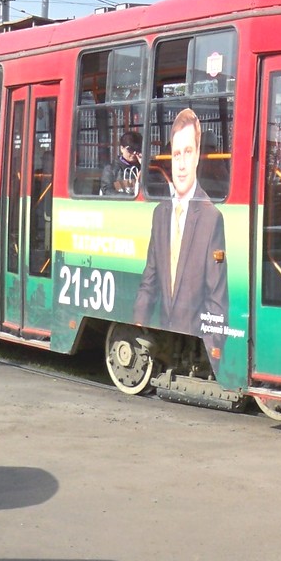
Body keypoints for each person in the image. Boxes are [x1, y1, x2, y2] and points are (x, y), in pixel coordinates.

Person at [132, 109, 229, 369]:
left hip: (196, 349)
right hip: (164, 340)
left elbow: (216, 302)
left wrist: (211, 353)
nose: (182, 164)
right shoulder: (159, 214)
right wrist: (137, 328)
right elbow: (149, 281)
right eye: (176, 154)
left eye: (188, 152)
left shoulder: (211, 217)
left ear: (197, 155)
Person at [100, 129, 142, 195]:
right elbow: (107, 190)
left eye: (137, 149)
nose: (134, 153)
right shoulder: (111, 169)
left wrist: (144, 167)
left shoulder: (144, 168)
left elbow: (154, 187)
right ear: (122, 148)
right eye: (130, 149)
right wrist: (130, 198)